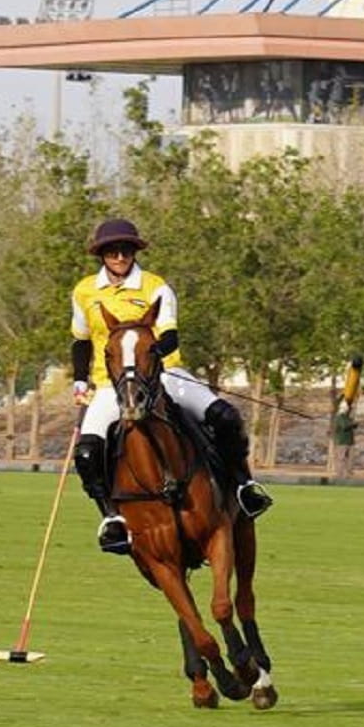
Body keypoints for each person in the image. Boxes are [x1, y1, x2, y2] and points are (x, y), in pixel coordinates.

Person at [69, 218, 273, 554]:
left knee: (225, 417)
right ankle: (112, 519)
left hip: (163, 375)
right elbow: (80, 341)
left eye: (126, 249)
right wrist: (79, 381)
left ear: (135, 251)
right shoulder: (84, 291)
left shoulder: (156, 287)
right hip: (110, 385)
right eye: (112, 250)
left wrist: (148, 361)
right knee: (88, 451)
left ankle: (243, 486)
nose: (120, 256)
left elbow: (170, 335)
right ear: (101, 254)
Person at [329, 357, 362, 479]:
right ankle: (340, 476)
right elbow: (344, 426)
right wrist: (354, 424)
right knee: (341, 459)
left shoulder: (346, 415)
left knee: (348, 460)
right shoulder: (341, 416)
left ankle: (348, 476)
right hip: (343, 441)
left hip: (349, 441)